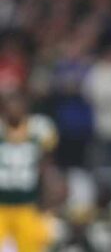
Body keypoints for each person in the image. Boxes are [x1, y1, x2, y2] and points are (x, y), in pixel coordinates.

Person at [0, 91, 57, 252]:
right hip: (1, 204)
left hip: (27, 204)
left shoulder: (38, 129)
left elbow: (47, 164)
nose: (15, 109)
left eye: (19, 105)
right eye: (11, 105)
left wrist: (48, 195)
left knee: (32, 247)